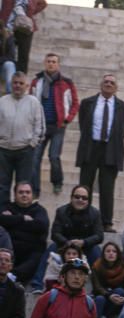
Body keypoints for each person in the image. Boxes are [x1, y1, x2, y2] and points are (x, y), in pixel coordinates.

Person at [76, 73, 124, 232]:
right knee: (85, 185)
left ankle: (106, 222)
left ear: (116, 88)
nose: (108, 84)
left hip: (110, 149)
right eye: (106, 82)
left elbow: (122, 130)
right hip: (91, 147)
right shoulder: (88, 103)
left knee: (107, 187)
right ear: (101, 84)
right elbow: (83, 125)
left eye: (112, 83)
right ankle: (84, 217)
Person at [30, 53, 79, 198]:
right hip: (40, 126)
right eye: (49, 61)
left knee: (54, 156)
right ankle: (34, 189)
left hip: (58, 126)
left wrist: (67, 119)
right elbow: (30, 102)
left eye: (54, 62)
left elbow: (75, 103)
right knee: (35, 158)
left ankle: (57, 182)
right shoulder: (36, 82)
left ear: (58, 65)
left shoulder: (66, 83)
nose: (51, 64)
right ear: (45, 63)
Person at [0, 71, 44, 205]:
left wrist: (32, 144)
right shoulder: (2, 101)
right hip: (3, 151)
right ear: (11, 84)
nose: (17, 86)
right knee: (2, 186)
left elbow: (40, 127)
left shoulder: (34, 102)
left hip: (25, 151)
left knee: (23, 187)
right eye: (15, 83)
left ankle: (20, 217)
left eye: (21, 83)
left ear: (27, 86)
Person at [0, 181, 47, 281]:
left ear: (32, 195)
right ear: (15, 194)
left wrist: (12, 220)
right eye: (21, 192)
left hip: (31, 251)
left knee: (37, 257)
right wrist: (22, 218)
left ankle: (12, 276)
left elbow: (41, 226)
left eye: (27, 192)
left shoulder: (39, 210)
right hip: (10, 249)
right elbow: (2, 220)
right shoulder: (7, 206)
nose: (24, 195)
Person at [47, 183, 103, 265]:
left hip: (86, 247)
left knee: (96, 250)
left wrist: (84, 242)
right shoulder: (61, 211)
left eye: (84, 198)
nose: (80, 200)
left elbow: (99, 236)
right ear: (71, 198)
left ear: (88, 201)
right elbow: (55, 233)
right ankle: (38, 278)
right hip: (65, 246)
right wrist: (67, 242)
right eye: (77, 197)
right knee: (53, 247)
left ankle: (97, 277)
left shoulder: (95, 213)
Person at [91, 241, 124, 318]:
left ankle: (106, 316)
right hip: (101, 296)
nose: (111, 253)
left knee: (120, 291)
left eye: (114, 251)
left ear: (118, 254)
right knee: (100, 299)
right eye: (108, 251)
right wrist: (109, 295)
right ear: (103, 254)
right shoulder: (97, 266)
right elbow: (97, 287)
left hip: (117, 301)